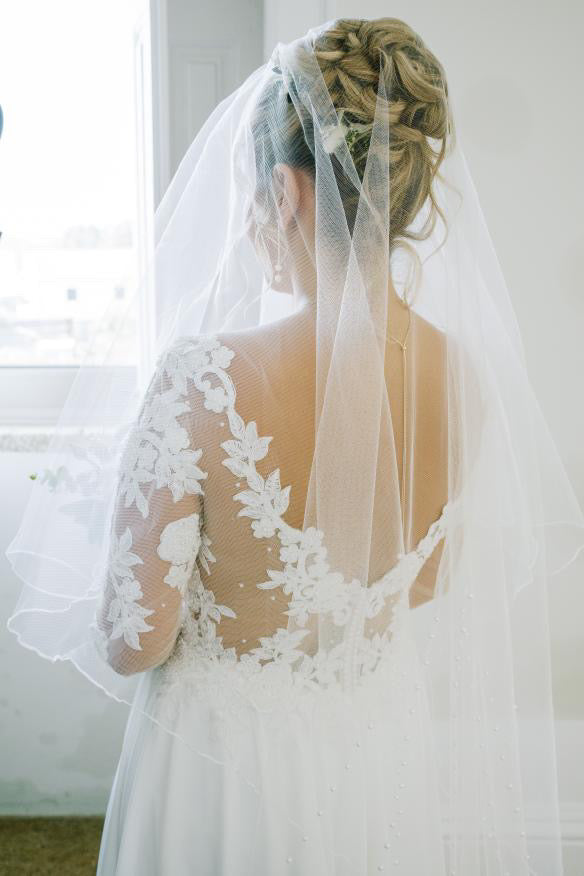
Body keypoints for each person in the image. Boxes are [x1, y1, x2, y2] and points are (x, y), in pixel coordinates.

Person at [7, 17, 584, 875]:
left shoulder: (203, 378)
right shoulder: (466, 377)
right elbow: (430, 576)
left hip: (221, 772)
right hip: (374, 757)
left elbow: (135, 639)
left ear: (284, 191)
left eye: (255, 199)